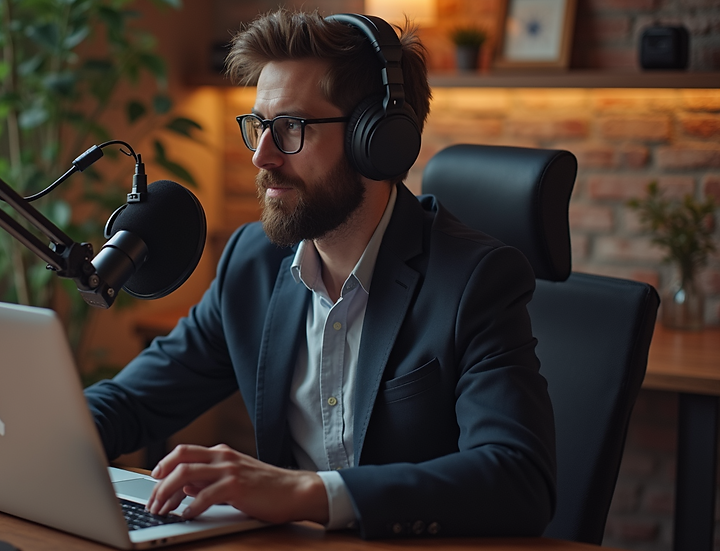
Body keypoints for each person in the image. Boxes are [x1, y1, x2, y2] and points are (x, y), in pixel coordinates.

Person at [84, 8, 556, 539]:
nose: (262, 156)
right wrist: (37, 436)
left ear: (375, 141)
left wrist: (303, 492)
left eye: (289, 128)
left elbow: (519, 479)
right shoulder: (251, 263)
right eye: (259, 126)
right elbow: (130, 400)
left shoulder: (475, 281)